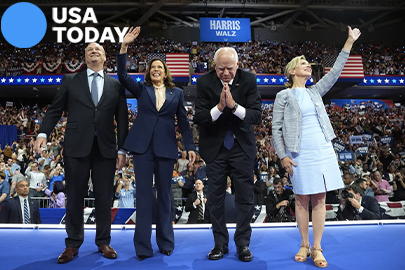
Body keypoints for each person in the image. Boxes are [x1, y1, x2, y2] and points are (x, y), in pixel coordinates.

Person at [272, 26, 361, 268]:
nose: (309, 66)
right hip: (298, 153)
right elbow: (275, 130)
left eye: (310, 64)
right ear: (292, 71)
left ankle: (317, 247)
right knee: (301, 199)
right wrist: (283, 156)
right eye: (304, 64)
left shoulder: (315, 91)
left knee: (320, 199)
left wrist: (349, 43)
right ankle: (303, 243)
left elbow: (336, 73)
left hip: (322, 149)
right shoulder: (283, 96)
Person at [34, 42, 128, 264]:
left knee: (104, 198)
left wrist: (123, 148)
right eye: (89, 50)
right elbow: (56, 109)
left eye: (98, 50)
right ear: (85, 59)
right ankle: (72, 244)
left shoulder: (115, 85)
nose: (94, 51)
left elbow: (122, 119)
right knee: (74, 197)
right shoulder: (70, 80)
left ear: (105, 58)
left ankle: (103, 241)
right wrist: (43, 133)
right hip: (76, 147)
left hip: (105, 148)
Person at [117, 27, 195, 260]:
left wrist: (190, 147)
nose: (156, 70)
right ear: (148, 73)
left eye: (160, 67)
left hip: (166, 149)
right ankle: (142, 247)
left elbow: (183, 121)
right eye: (153, 68)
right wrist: (124, 47)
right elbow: (122, 76)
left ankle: (166, 243)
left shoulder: (177, 94)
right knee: (142, 196)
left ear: (165, 71)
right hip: (142, 149)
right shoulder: (142, 90)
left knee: (165, 196)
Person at [194, 46, 262, 262]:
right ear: (214, 66)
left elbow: (256, 116)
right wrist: (219, 107)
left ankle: (243, 244)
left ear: (237, 66)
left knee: (245, 198)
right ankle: (219, 244)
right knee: (215, 198)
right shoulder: (204, 82)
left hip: (242, 148)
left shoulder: (249, 80)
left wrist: (233, 107)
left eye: (230, 69)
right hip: (215, 149)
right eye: (221, 68)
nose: (225, 73)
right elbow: (200, 117)